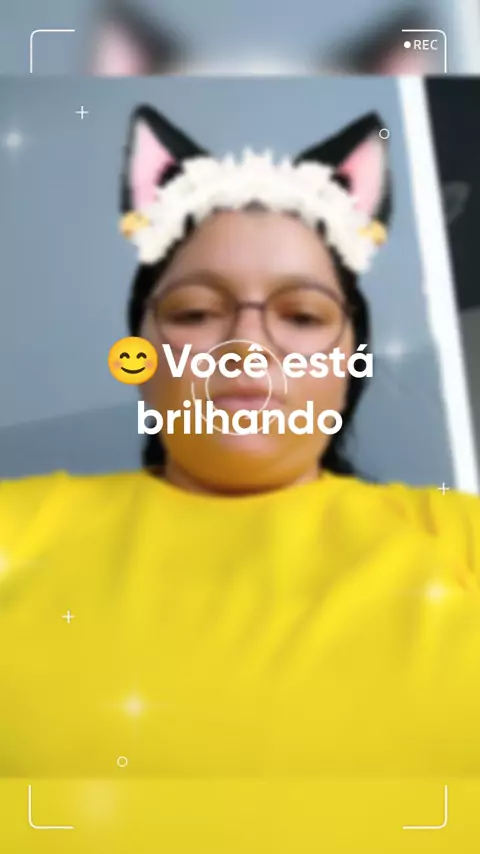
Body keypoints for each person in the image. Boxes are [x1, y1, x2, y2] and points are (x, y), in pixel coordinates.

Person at [0, 104, 479, 782]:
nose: (247, 346)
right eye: (196, 312)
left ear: (351, 362)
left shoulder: (461, 539)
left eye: (302, 315)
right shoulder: (15, 529)